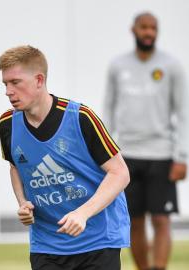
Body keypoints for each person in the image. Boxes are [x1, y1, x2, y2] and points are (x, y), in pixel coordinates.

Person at [0, 45, 130, 270]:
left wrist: (82, 214)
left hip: (97, 241)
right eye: (5, 84)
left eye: (15, 82)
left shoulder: (80, 118)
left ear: (39, 80)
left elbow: (120, 173)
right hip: (46, 245)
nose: (8, 91)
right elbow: (15, 167)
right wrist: (22, 203)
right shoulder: (7, 124)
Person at [104, 12, 187, 270]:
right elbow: (109, 110)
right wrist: (104, 152)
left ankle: (159, 268)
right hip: (126, 155)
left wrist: (182, 156)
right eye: (144, 27)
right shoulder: (118, 66)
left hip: (161, 154)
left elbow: (183, 112)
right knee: (134, 220)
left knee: (161, 219)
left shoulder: (171, 66)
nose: (148, 32)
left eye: (153, 28)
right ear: (134, 30)